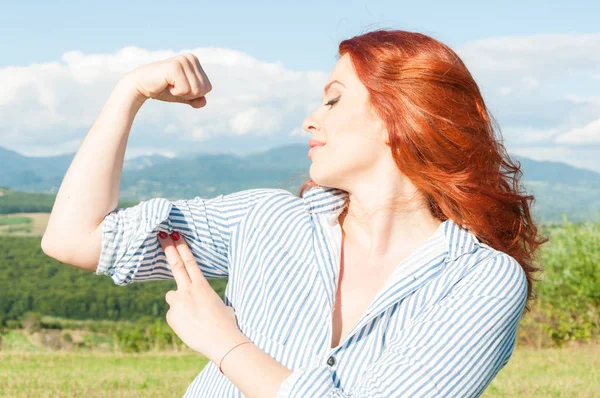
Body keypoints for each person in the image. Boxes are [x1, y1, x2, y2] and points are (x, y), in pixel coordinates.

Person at [41, 28, 548, 397]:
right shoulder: (266, 219)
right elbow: (74, 238)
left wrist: (227, 345)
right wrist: (127, 94)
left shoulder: (481, 280)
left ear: (401, 117)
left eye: (332, 101)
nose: (310, 120)